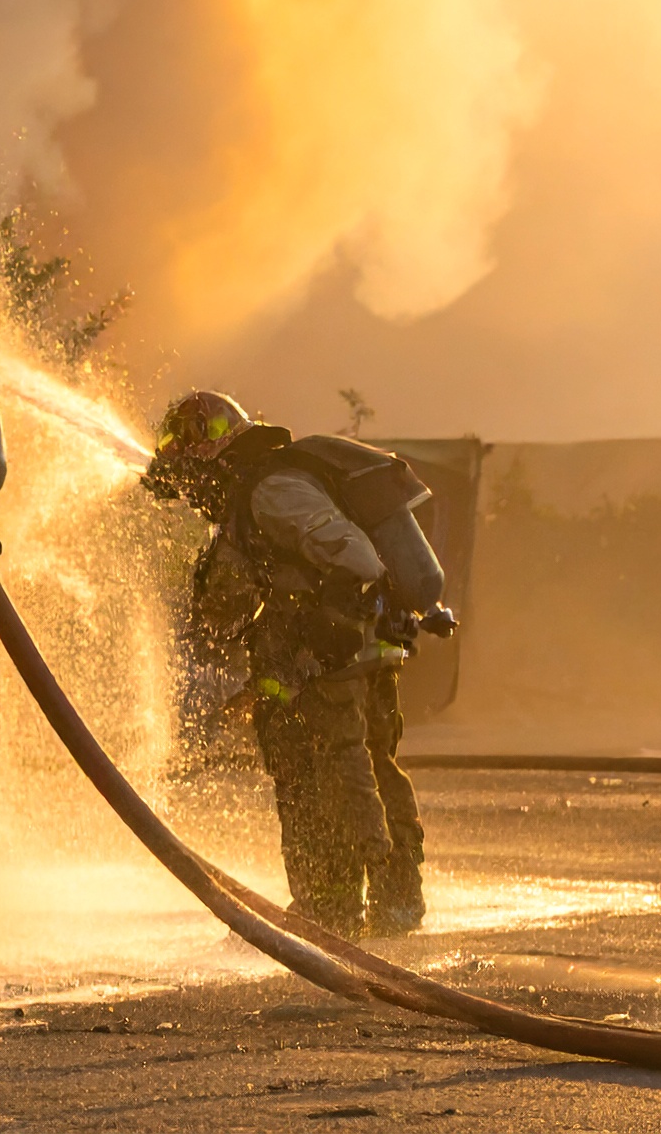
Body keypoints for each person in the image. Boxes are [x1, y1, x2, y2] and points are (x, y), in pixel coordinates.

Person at [142, 391, 456, 937]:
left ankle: (340, 910)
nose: (190, 491)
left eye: (185, 464)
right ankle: (380, 904)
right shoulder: (263, 487)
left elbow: (354, 557)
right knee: (362, 775)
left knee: (327, 783)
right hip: (352, 658)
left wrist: (322, 632)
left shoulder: (271, 490)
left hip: (331, 667)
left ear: (207, 446)